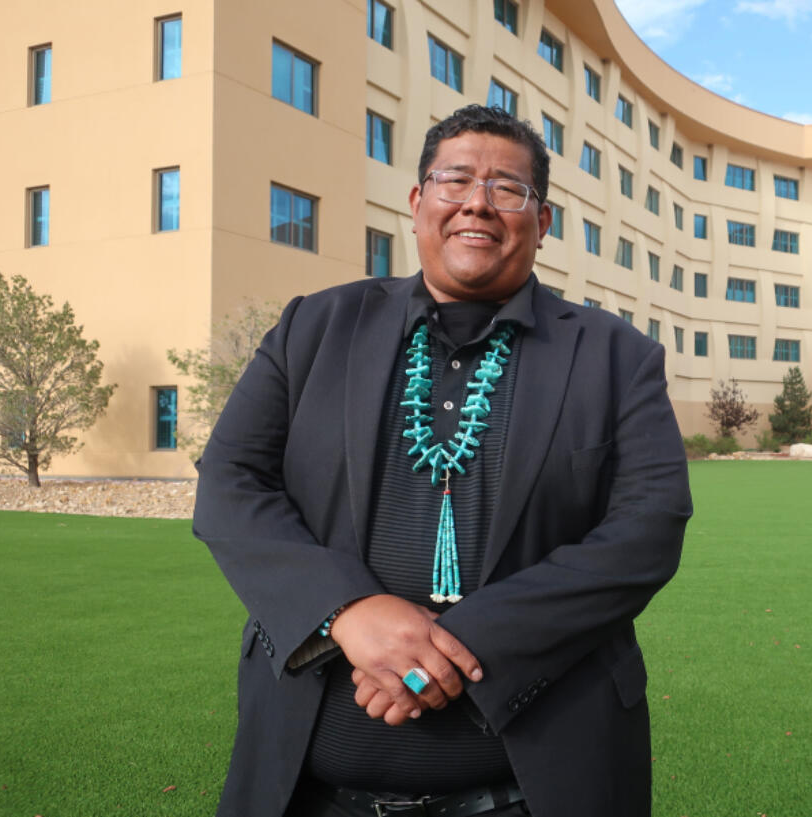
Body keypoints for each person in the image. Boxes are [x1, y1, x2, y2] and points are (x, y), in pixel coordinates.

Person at [193, 104, 692, 817]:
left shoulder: (616, 357)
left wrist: (451, 647)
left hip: (535, 789)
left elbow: (648, 528)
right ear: (418, 201)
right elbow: (230, 483)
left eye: (507, 188)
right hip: (308, 787)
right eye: (455, 179)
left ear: (542, 221)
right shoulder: (314, 328)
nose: (477, 204)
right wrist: (347, 612)